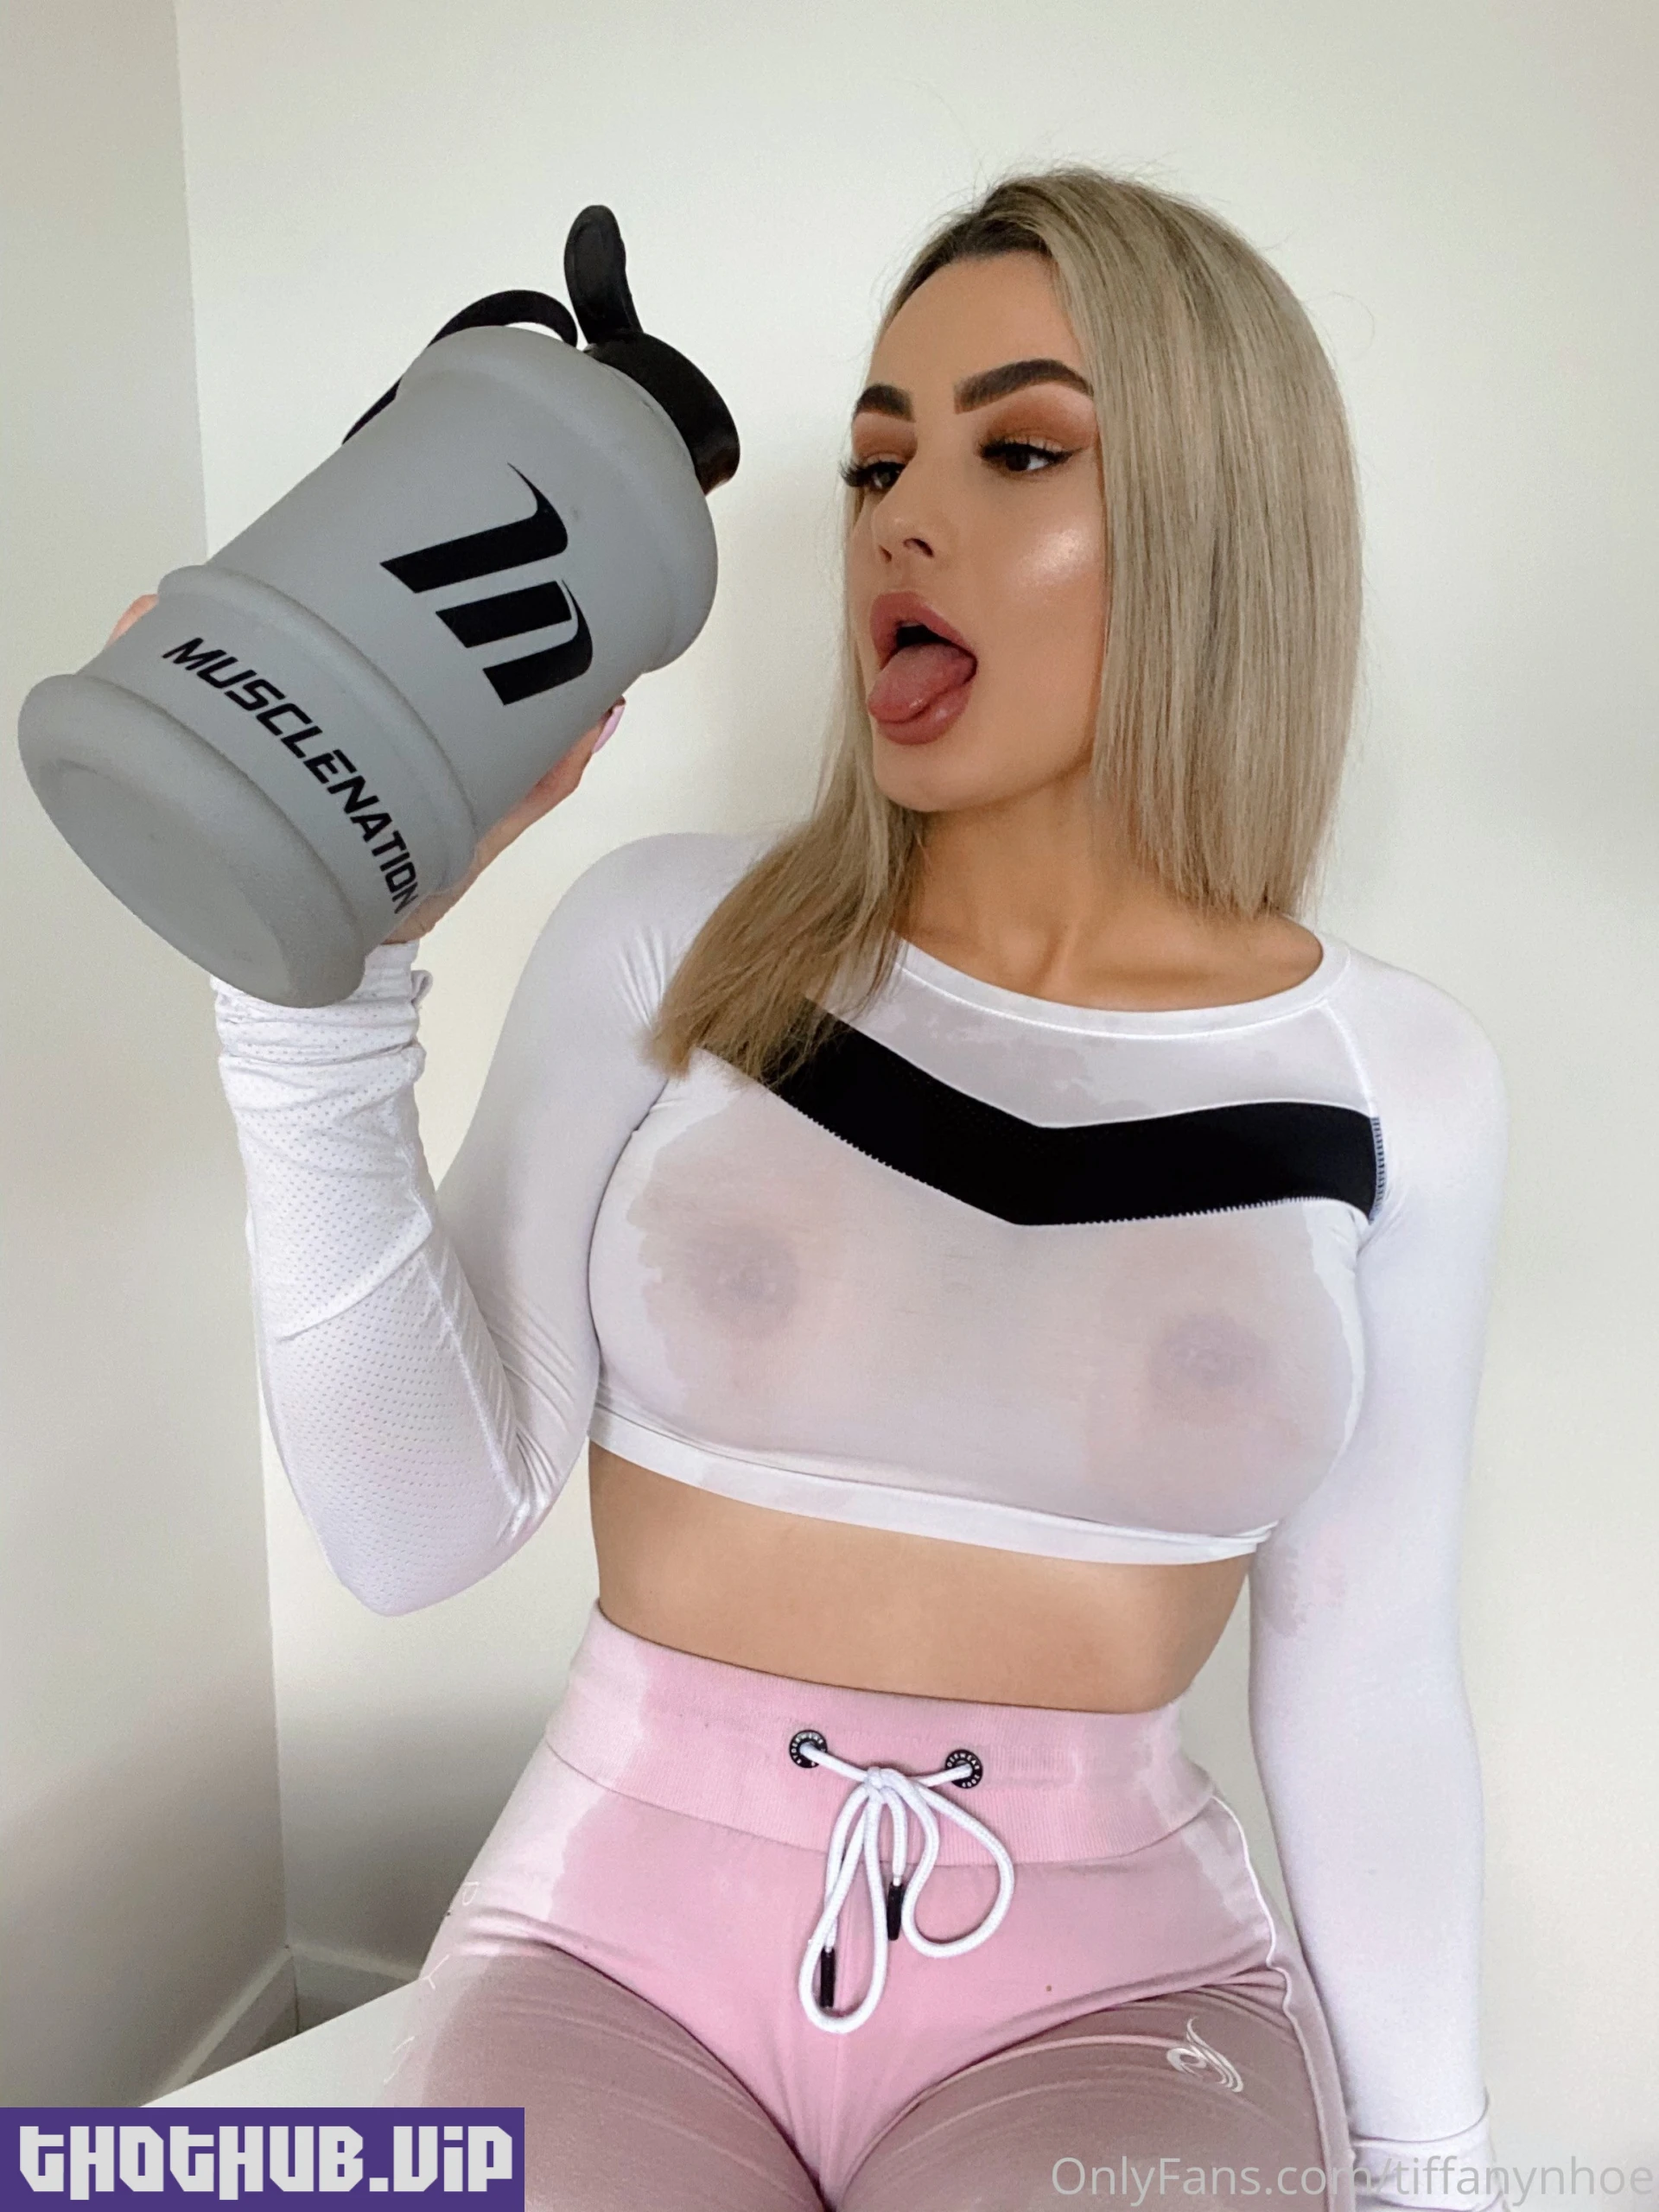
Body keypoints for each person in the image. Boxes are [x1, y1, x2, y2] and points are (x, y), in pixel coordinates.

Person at [128, 167, 1509, 2211]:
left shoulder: (1396, 1082)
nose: (899, 522)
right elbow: (413, 1528)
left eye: (1017, 450)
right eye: (876, 464)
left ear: (1226, 527)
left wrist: (1438, 2173)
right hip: (612, 1953)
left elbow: (1366, 1668)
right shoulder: (676, 940)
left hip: (1117, 1996)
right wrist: (314, 992)